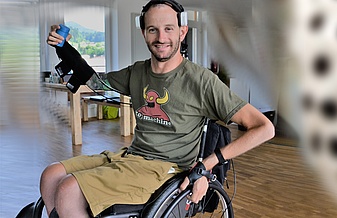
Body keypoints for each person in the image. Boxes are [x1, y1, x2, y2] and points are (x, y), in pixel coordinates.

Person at [43, 0, 275, 217]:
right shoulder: (137, 72)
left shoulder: (201, 80)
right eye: (153, 29)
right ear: (144, 33)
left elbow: (264, 128)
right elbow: (94, 82)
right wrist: (64, 48)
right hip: (131, 157)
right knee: (51, 175)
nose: (161, 37)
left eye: (169, 29)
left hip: (167, 169)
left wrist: (208, 164)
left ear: (182, 32)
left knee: (68, 189)